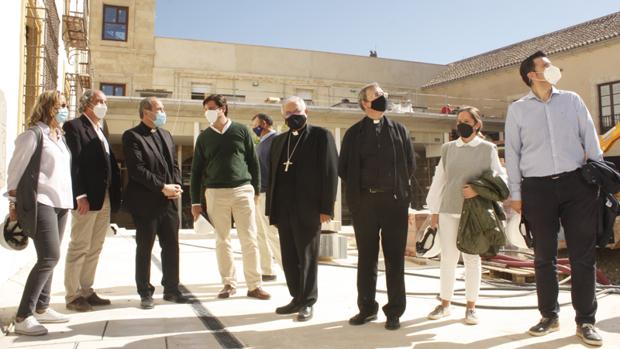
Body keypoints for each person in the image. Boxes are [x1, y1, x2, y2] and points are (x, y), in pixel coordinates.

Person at [505, 51, 603, 346]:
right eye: (545, 66)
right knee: (543, 257)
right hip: (537, 189)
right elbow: (512, 153)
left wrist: (597, 176)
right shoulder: (518, 110)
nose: (552, 68)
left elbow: (590, 137)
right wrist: (517, 194)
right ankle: (549, 316)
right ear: (531, 75)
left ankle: (585, 321)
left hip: (577, 185)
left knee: (582, 255)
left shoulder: (572, 100)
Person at [339, 82, 416, 331]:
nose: (383, 98)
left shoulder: (400, 130)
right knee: (367, 259)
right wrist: (357, 201)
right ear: (364, 103)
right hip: (365, 204)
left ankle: (394, 311)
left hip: (394, 203)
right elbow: (344, 169)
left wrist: (402, 194)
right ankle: (366, 309)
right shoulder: (353, 134)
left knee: (395, 259)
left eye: (384, 94)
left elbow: (410, 165)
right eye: (377, 96)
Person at [425, 106, 506, 325]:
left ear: (477, 124)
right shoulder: (448, 148)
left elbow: (499, 180)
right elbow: (439, 180)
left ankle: (471, 307)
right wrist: (433, 211)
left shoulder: (487, 149)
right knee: (448, 259)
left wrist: (477, 189)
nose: (461, 124)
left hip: (475, 213)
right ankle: (445, 304)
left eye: (466, 121)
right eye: (458, 120)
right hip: (448, 210)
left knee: (472, 258)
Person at [190, 94, 270, 300]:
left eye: (211, 107)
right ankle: (228, 283)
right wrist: (195, 203)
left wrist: (256, 191)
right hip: (215, 193)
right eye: (205, 108)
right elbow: (196, 171)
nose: (208, 111)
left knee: (249, 238)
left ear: (222, 108)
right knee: (222, 240)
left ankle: (254, 285)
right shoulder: (204, 137)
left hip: (242, 190)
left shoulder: (241, 130)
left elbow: (254, 163)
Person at [266, 96, 338, 322]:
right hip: (284, 208)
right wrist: (272, 209)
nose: (293, 117)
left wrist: (326, 207)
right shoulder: (278, 141)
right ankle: (296, 297)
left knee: (306, 257)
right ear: (283, 117)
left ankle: (308, 302)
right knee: (288, 257)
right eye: (288, 114)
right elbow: (273, 177)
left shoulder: (321, 136)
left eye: (296, 112)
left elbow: (330, 172)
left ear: (306, 111)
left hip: (309, 208)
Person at [6, 90, 72, 335]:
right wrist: (13, 204)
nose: (64, 109)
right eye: (60, 105)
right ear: (47, 107)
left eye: (65, 105)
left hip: (61, 203)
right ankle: (24, 315)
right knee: (49, 256)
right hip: (41, 201)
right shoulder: (34, 135)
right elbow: (15, 171)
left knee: (52, 256)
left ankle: (43, 307)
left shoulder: (60, 136)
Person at [122, 97, 189, 309]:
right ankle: (145, 291)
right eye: (159, 109)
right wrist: (162, 187)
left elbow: (174, 165)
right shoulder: (132, 136)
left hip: (168, 203)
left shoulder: (166, 135)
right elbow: (137, 170)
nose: (163, 112)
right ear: (146, 112)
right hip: (145, 203)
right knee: (145, 247)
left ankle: (172, 288)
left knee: (171, 246)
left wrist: (176, 185)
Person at [63, 89, 121, 312]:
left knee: (95, 246)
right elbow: (75, 163)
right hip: (86, 198)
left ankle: (86, 289)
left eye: (105, 101)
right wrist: (80, 195)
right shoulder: (75, 127)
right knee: (79, 245)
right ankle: (72, 294)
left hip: (103, 197)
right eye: (100, 101)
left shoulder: (101, 128)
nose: (103, 105)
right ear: (87, 104)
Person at [251, 113, 282, 281]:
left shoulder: (277, 140)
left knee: (272, 234)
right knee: (260, 234)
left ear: (264, 123)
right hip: (257, 194)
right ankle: (267, 270)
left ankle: (290, 271)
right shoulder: (260, 143)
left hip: (268, 194)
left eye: (254, 123)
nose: (253, 127)